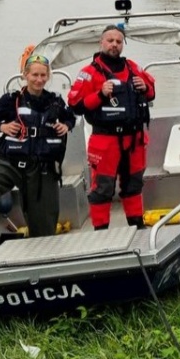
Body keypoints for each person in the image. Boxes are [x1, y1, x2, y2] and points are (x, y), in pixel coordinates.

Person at [0, 54, 76, 256]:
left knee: (44, 231)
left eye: (43, 75)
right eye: (34, 74)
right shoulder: (11, 100)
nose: (39, 79)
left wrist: (65, 125)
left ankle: (41, 257)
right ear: (25, 75)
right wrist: (2, 126)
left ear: (48, 76)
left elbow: (71, 118)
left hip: (42, 168)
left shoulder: (55, 102)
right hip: (10, 161)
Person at [68, 24, 156, 230]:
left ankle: (137, 226)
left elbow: (151, 91)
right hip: (105, 141)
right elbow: (75, 104)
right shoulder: (89, 73)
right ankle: (101, 232)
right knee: (102, 188)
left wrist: (146, 87)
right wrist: (99, 94)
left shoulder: (133, 67)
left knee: (134, 184)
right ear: (101, 43)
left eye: (118, 41)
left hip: (134, 139)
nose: (114, 45)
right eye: (110, 41)